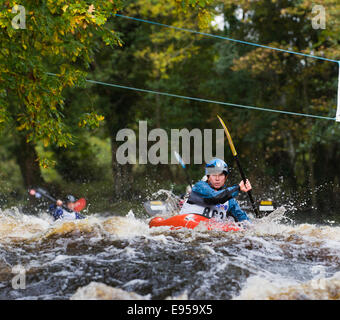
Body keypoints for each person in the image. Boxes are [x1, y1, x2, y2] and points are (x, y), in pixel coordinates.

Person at [179, 158, 252, 225]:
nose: (217, 179)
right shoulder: (199, 187)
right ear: (208, 177)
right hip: (186, 222)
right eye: (214, 175)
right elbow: (215, 197)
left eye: (221, 175)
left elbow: (245, 221)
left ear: (225, 178)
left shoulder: (230, 201)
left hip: (209, 231)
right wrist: (238, 188)